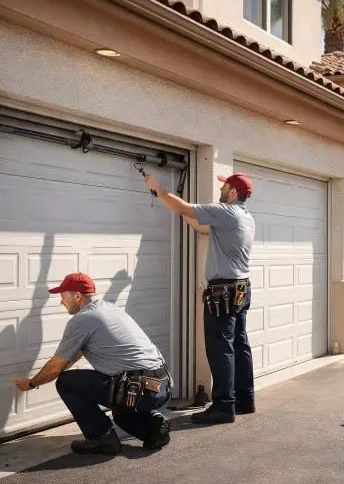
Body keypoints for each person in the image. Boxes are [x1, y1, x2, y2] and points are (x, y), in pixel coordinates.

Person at [13, 272, 172, 455]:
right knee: (120, 414)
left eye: (63, 296)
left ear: (77, 296)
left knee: (66, 382)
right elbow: (73, 356)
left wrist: (32, 383)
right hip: (161, 386)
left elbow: (56, 367)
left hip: (140, 390)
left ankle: (101, 438)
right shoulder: (109, 308)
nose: (61, 302)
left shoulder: (82, 320)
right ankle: (154, 427)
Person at [143, 170, 255, 425]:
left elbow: (184, 206)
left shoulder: (227, 212)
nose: (221, 189)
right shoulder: (245, 217)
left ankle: (224, 407)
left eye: (225, 186)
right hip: (240, 288)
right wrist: (182, 211)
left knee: (220, 349)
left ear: (233, 191)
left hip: (224, 291)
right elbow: (197, 223)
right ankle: (244, 400)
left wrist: (158, 188)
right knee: (238, 345)